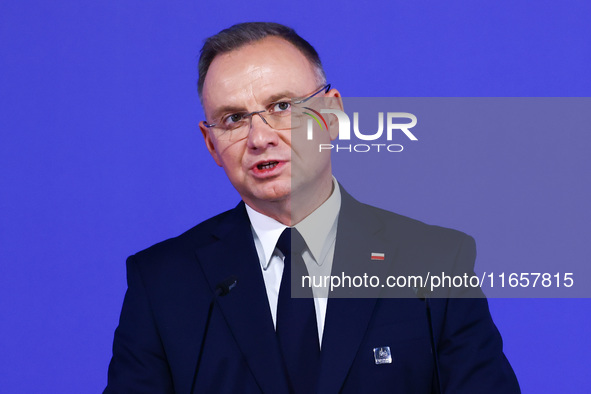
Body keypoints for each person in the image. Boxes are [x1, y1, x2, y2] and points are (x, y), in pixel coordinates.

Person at [105, 22, 520, 393]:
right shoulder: (161, 283)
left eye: (281, 107)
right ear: (210, 143)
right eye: (233, 119)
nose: (259, 137)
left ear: (332, 114)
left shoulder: (434, 260)